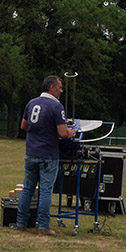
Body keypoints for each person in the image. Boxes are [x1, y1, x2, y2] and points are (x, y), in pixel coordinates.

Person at [14, 75, 77, 235]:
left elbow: (23, 125)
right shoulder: (57, 107)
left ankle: (20, 223)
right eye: (60, 88)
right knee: (45, 190)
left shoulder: (32, 102)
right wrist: (70, 132)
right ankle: (43, 226)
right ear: (52, 88)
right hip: (48, 154)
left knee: (28, 188)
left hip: (31, 152)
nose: (61, 91)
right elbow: (62, 133)